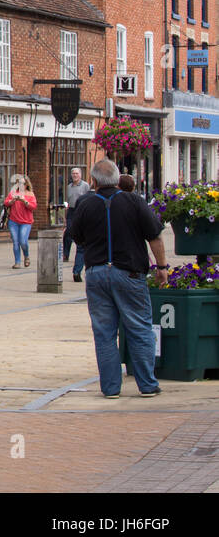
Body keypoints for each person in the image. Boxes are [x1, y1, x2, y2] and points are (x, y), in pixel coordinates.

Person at [67, 159, 166, 398]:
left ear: (94, 181)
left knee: (104, 333)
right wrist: (161, 266)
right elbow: (155, 237)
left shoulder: (85, 203)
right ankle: (147, 385)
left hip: (97, 272)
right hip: (129, 272)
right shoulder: (134, 201)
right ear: (117, 178)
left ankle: (111, 388)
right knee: (139, 328)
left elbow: (75, 236)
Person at [4, 174, 37, 268]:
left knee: (23, 241)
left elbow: (33, 206)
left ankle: (26, 256)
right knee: (15, 241)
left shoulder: (30, 194)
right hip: (13, 221)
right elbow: (6, 202)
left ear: (27, 184)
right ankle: (17, 262)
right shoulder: (13, 193)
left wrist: (24, 201)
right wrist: (12, 201)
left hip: (26, 222)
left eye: (23, 183)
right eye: (19, 183)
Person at [61, 167, 90, 265]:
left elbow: (88, 198)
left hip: (81, 211)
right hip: (71, 210)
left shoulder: (85, 186)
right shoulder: (69, 187)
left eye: (77, 173)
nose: (75, 175)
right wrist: (66, 210)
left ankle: (82, 254)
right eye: (73, 173)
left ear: (80, 175)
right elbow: (66, 201)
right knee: (68, 232)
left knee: (80, 233)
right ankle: (65, 254)